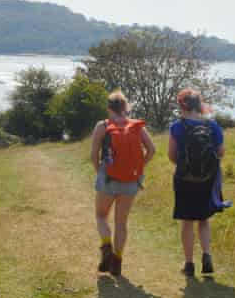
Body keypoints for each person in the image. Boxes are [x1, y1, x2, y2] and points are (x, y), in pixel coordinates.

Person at [90, 91, 155, 277]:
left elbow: (94, 154)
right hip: (131, 181)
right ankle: (117, 261)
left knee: (101, 216)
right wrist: (139, 167)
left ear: (109, 108)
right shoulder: (137, 127)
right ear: (126, 107)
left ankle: (106, 246)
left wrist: (100, 171)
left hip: (108, 178)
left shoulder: (102, 126)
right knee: (121, 222)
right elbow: (151, 150)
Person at [167, 88, 226, 276]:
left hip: (184, 179)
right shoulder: (213, 125)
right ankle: (207, 256)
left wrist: (186, 165)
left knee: (187, 221)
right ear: (198, 104)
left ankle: (189, 264)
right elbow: (221, 152)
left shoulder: (177, 127)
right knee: (203, 219)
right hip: (208, 179)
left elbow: (171, 155)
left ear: (181, 105)